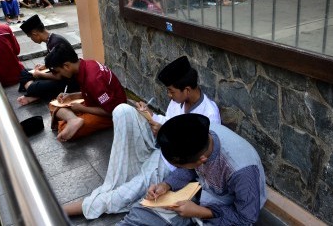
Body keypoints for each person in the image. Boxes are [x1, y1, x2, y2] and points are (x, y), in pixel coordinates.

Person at [62, 56, 222, 220]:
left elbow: (198, 158)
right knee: (123, 111)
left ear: (187, 90)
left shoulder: (209, 114)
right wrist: (150, 115)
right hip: (159, 145)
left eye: (171, 91)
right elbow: (167, 121)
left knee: (127, 190)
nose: (168, 95)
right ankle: (121, 174)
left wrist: (164, 133)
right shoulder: (178, 101)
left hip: (170, 162)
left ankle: (70, 209)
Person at [117, 114, 267, 225]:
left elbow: (246, 218)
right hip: (202, 190)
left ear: (202, 160)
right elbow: (189, 168)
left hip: (229, 207)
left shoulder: (241, 171)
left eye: (179, 166)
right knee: (142, 213)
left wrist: (201, 212)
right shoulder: (198, 135)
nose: (177, 169)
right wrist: (166, 185)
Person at [45, 43, 127, 142]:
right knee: (53, 104)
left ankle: (72, 119)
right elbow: (91, 93)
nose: (59, 75)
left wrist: (82, 108)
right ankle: (73, 119)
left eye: (58, 71)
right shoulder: (86, 64)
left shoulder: (93, 79)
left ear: (66, 66)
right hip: (95, 104)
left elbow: (111, 112)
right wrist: (71, 96)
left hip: (112, 114)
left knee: (63, 129)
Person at [17, 14, 80, 105]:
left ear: (35, 34)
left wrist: (39, 74)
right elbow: (56, 63)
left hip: (67, 81)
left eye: (30, 37)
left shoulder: (56, 43)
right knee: (25, 71)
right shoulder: (52, 39)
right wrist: (45, 66)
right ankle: (36, 93)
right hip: (58, 75)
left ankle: (34, 93)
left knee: (32, 87)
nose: (32, 39)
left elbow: (59, 75)